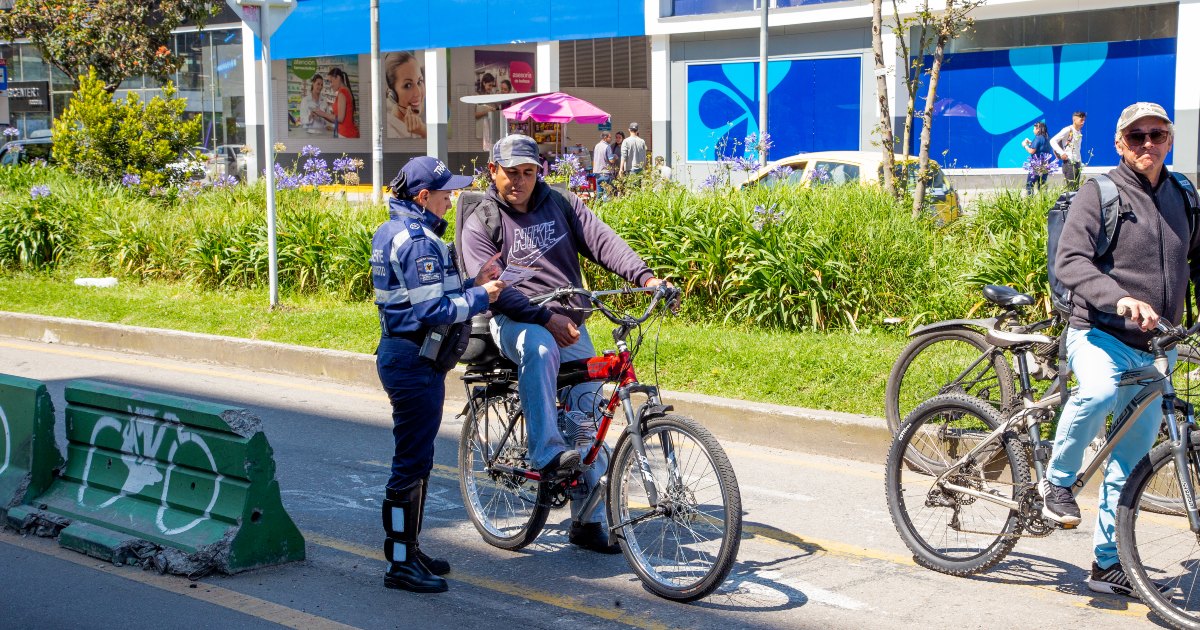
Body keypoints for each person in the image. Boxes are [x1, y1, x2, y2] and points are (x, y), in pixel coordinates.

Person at [458, 134, 669, 553]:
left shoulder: (561, 203)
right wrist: (545, 318)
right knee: (538, 347)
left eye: (528, 172)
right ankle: (546, 453)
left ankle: (588, 521)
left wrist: (646, 278)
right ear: (492, 171)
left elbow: (603, 241)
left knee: (588, 418)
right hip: (517, 321)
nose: (519, 181)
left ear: (539, 172)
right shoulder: (480, 219)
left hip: (568, 322)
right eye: (511, 173)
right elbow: (490, 286)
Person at [1047, 102, 1200, 597]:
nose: (1148, 144)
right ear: (1120, 143)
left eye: (1157, 135)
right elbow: (1070, 262)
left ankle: (1107, 563)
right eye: (1137, 137)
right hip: (1100, 334)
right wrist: (1120, 298)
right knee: (1095, 391)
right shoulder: (1100, 193)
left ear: (1170, 141)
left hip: (1157, 347)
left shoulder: (1183, 195)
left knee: (1131, 463)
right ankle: (1057, 482)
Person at [372, 156, 505, 593]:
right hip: (414, 360)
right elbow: (432, 311)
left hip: (408, 357)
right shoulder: (417, 241)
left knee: (419, 461)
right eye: (446, 192)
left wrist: (474, 283)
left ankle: (408, 548)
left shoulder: (398, 231)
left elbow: (433, 296)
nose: (453, 198)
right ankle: (399, 563)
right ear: (423, 196)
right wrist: (482, 297)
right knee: (410, 463)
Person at [384, 52, 427, 139]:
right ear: (392, 95)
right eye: (408, 85)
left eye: (419, 81)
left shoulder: (419, 127)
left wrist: (424, 131)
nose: (418, 93)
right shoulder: (390, 131)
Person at [312, 67, 359, 139]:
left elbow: (340, 119)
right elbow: (337, 119)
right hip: (346, 133)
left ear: (338, 78)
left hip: (346, 134)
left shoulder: (342, 93)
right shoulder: (344, 91)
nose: (330, 85)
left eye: (331, 81)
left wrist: (323, 113)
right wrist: (321, 114)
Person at [1051, 111, 1086, 192]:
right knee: (1071, 190)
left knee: (1076, 189)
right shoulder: (1068, 129)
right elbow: (1052, 141)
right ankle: (1069, 204)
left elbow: (1078, 148)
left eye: (1084, 120)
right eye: (1081, 120)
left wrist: (1080, 162)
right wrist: (1061, 153)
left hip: (1077, 162)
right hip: (1069, 163)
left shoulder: (1079, 132)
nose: (1083, 122)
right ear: (1074, 119)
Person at [1022, 121, 1053, 195]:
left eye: (1034, 129)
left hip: (1037, 164)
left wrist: (1025, 145)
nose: (1033, 130)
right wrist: (1031, 143)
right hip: (1046, 164)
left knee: (1030, 184)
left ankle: (1030, 201)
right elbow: (1041, 147)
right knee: (1042, 184)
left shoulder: (1038, 138)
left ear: (1038, 129)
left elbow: (1032, 151)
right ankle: (1043, 201)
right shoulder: (1047, 137)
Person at [475, 72, 499, 151]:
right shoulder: (476, 96)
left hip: (490, 135)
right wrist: (486, 111)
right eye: (489, 85)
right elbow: (473, 115)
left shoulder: (492, 98)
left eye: (492, 86)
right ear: (484, 83)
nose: (491, 88)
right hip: (479, 135)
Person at [592, 131, 615, 199]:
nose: (611, 139)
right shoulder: (607, 147)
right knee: (607, 195)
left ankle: (597, 208)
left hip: (598, 173)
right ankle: (606, 208)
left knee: (599, 195)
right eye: (610, 137)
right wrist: (615, 157)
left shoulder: (597, 146)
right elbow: (611, 160)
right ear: (605, 138)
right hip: (606, 173)